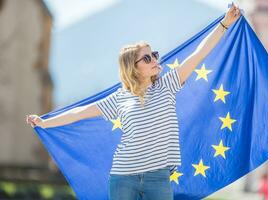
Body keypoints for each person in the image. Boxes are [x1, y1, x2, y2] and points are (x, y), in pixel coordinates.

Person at [26, 4, 241, 200]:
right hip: (123, 178)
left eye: (154, 55)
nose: (155, 60)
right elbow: (79, 113)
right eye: (147, 58)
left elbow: (199, 53)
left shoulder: (168, 84)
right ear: (133, 67)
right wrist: (45, 122)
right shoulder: (120, 98)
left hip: (158, 179)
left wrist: (225, 24)